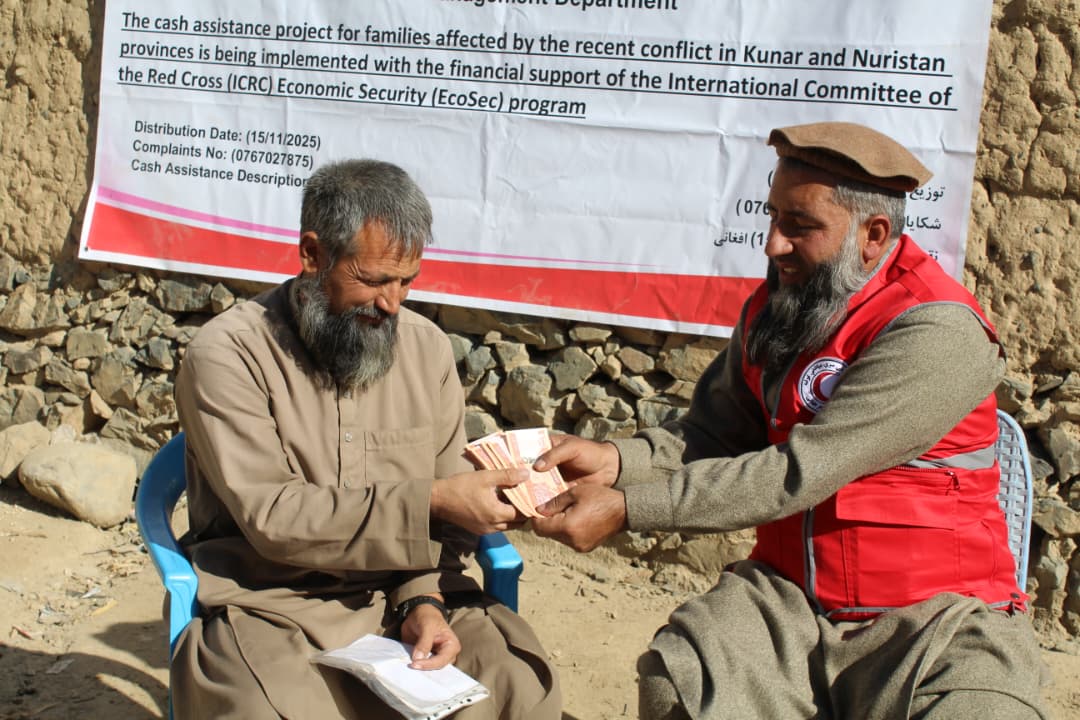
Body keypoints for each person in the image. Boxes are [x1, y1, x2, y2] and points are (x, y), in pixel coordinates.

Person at [530, 122, 1047, 718]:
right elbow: (714, 435)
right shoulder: (778, 308)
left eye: (798, 226)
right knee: (682, 684)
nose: (773, 244)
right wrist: (617, 461)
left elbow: (801, 471)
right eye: (772, 216)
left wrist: (628, 509)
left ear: (873, 235)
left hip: (931, 622)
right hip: (791, 603)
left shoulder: (936, 331)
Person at [172, 159, 561, 719]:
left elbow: (444, 521)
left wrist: (423, 600)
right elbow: (273, 517)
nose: (393, 304)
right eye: (375, 280)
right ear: (312, 255)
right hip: (272, 604)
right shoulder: (227, 355)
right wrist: (432, 498)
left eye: (407, 281)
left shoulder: (426, 350)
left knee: (517, 683)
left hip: (404, 591)